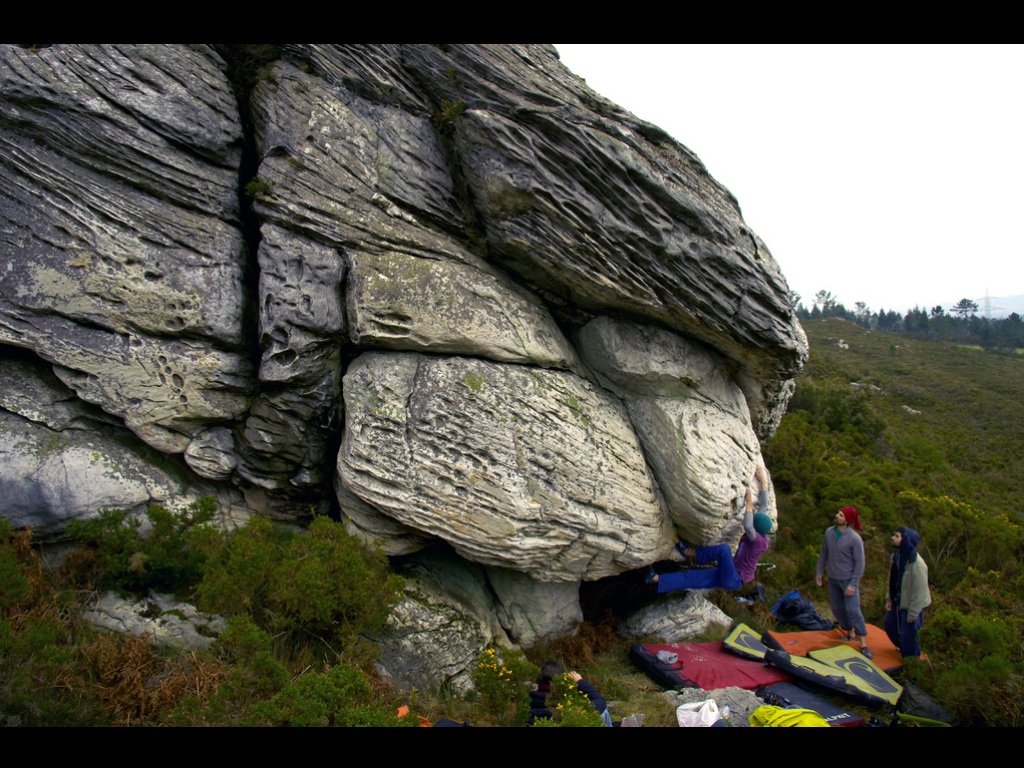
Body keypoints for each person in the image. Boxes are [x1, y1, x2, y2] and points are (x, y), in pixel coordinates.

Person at [647, 466, 773, 595]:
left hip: (734, 578)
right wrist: (762, 480)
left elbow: (748, 525)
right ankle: (655, 579)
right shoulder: (761, 527)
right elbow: (764, 506)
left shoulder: (759, 541)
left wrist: (749, 503)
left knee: (724, 550)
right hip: (729, 571)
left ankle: (689, 552)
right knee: (694, 578)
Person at [815, 506, 872, 659]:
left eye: (840, 515)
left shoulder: (855, 539)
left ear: (847, 520)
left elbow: (860, 563)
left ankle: (864, 643)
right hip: (833, 578)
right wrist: (819, 572)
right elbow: (824, 553)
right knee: (837, 608)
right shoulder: (829, 532)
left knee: (853, 610)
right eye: (838, 513)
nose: (837, 516)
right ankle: (849, 632)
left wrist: (853, 584)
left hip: (848, 579)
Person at [884, 527, 931, 658]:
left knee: (910, 634)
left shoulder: (917, 564)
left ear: (905, 541)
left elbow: (920, 591)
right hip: (898, 600)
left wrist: (913, 612)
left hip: (912, 606)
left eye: (897, 536)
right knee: (890, 624)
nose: (893, 538)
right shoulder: (896, 557)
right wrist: (889, 599)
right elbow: (891, 579)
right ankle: (904, 648)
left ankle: (911, 660)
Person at [528, 661, 612, 726]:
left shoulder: (527, 701)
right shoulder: (566, 704)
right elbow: (600, 701)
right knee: (603, 712)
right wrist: (580, 682)